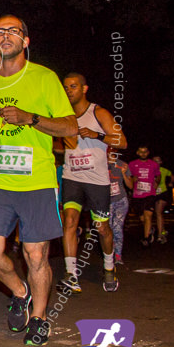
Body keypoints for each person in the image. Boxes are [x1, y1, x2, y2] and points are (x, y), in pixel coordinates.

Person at [0, 15, 77, 347]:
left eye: (13, 31)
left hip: (38, 181)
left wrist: (30, 118)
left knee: (36, 255)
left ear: (25, 41)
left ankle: (40, 318)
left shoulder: (45, 78)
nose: (5, 35)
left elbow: (70, 127)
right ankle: (20, 290)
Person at [56, 72, 126, 294]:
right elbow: (60, 146)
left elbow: (122, 141)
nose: (68, 91)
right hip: (72, 177)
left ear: (84, 89)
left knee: (102, 228)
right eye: (65, 87)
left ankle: (109, 267)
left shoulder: (98, 112)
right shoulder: (62, 116)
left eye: (73, 86)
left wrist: (97, 135)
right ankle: (71, 274)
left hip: (96, 181)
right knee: (69, 222)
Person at [128, 147, 161, 246]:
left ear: (148, 152)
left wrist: (157, 182)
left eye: (145, 152)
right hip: (137, 195)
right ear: (137, 152)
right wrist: (132, 180)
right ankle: (150, 229)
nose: (143, 154)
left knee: (148, 215)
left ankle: (146, 238)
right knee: (142, 218)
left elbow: (158, 175)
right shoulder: (132, 164)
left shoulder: (153, 164)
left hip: (149, 194)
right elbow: (129, 177)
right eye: (141, 152)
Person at [107, 150, 134, 265]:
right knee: (107, 229)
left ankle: (118, 255)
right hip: (105, 202)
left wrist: (123, 173)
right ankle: (108, 254)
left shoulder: (122, 164)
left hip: (120, 200)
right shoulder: (99, 164)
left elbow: (131, 185)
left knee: (117, 228)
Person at [153, 155, 174, 240]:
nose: (156, 163)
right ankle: (162, 230)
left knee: (158, 212)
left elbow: (172, 175)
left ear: (161, 162)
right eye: (154, 161)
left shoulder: (164, 170)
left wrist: (171, 183)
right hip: (152, 194)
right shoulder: (148, 170)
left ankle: (160, 234)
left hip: (162, 193)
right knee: (153, 214)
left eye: (158, 161)